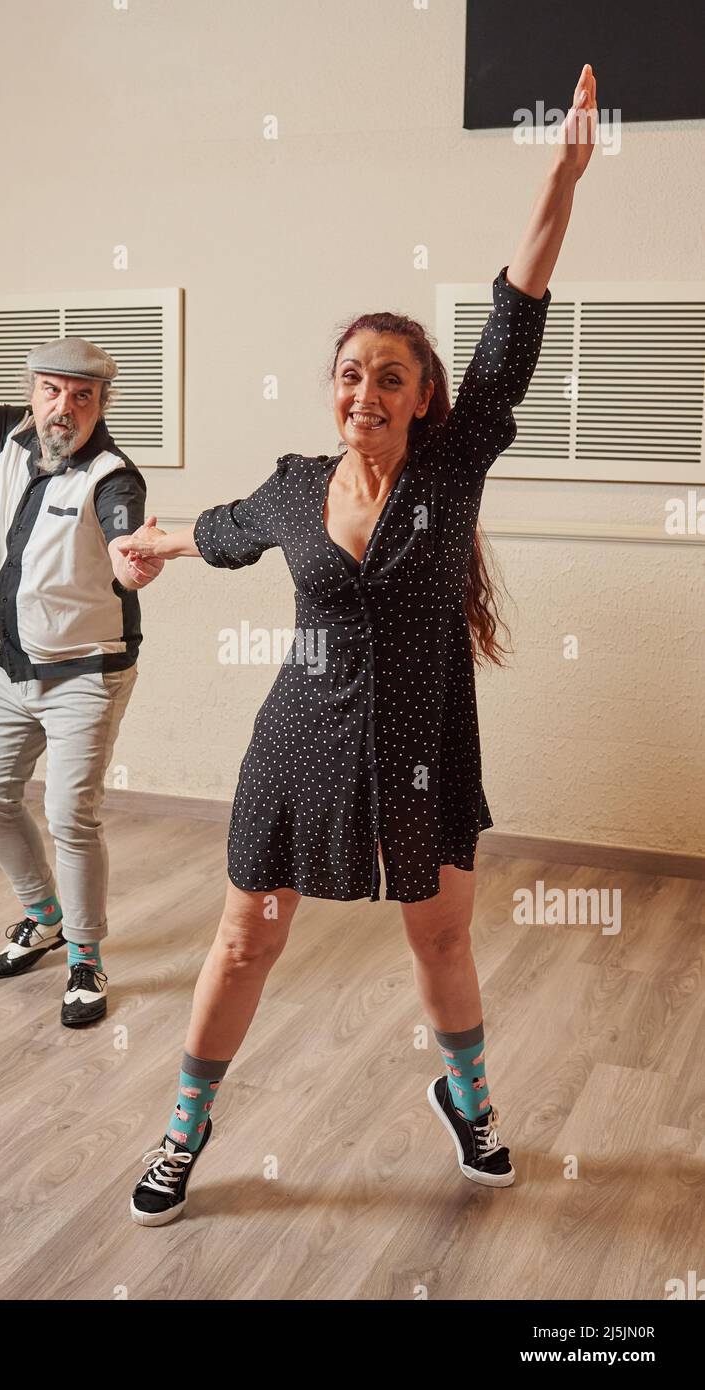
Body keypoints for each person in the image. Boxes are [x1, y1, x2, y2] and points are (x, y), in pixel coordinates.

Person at [116, 64, 599, 1222]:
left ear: (427, 396)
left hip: (423, 740)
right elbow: (220, 531)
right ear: (332, 394)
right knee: (246, 940)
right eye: (351, 375)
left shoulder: (453, 459)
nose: (365, 390)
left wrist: (563, 175)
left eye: (391, 375)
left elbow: (516, 315)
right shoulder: (293, 489)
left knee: (439, 938)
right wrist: (154, 544)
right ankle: (186, 1122)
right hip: (297, 737)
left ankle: (469, 1101)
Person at [0, 261, 163, 1026]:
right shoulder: (11, 438)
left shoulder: (115, 477)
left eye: (82, 396)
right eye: (52, 390)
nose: (64, 407)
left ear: (100, 404)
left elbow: (125, 545)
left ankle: (85, 957)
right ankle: (42, 915)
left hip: (85, 673)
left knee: (69, 814)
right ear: (33, 393)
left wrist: (134, 562)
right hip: (7, 668)